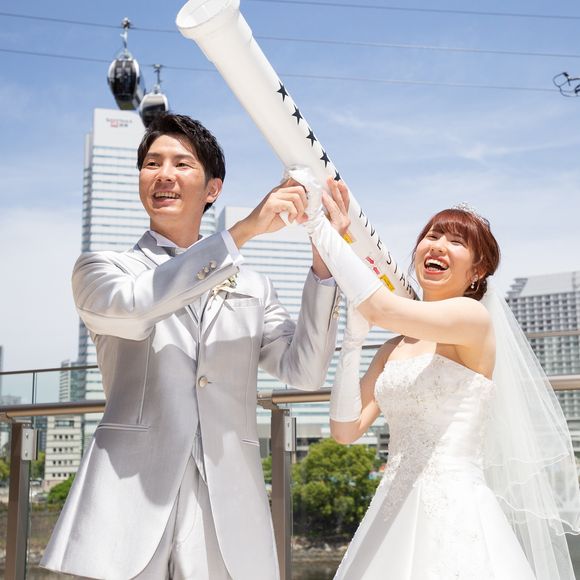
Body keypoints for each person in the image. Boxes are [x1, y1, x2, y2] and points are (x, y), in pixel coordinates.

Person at [41, 113, 342, 580]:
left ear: (212, 188)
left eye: (181, 164)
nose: (164, 174)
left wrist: (325, 261)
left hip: (227, 505)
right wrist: (241, 233)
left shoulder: (255, 286)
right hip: (128, 498)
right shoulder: (102, 269)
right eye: (152, 163)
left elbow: (304, 371)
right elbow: (135, 310)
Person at [302, 178, 580, 580]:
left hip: (455, 508)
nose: (438, 246)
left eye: (456, 242)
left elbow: (380, 307)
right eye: (432, 236)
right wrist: (353, 342)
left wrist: (323, 229)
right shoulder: (393, 348)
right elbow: (345, 431)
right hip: (391, 509)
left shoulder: (471, 318)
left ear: (477, 270)